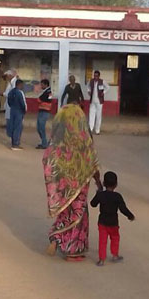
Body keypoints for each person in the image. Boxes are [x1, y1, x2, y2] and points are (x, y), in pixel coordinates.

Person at [43, 99, 100, 261]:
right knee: (78, 213)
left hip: (64, 186)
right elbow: (92, 162)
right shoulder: (83, 141)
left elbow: (48, 162)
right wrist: (98, 181)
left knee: (65, 210)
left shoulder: (57, 145)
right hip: (80, 186)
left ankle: (56, 238)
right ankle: (73, 250)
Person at [90, 171, 135, 267]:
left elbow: (93, 204)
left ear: (104, 183)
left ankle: (101, 260)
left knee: (102, 240)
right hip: (113, 222)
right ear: (116, 185)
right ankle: (115, 255)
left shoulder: (101, 195)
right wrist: (130, 215)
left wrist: (98, 192)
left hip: (102, 222)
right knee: (115, 238)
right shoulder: (117, 196)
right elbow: (123, 209)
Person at [87, 70, 109, 135]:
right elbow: (88, 87)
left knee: (98, 116)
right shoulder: (91, 81)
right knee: (91, 115)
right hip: (92, 101)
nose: (95, 77)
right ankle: (90, 129)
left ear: (99, 76)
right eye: (94, 75)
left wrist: (104, 92)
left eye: (96, 76)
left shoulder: (102, 81)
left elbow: (108, 87)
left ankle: (97, 130)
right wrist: (88, 91)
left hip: (99, 101)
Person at [6, 78, 26, 150]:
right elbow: (22, 103)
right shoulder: (19, 93)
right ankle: (16, 144)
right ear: (20, 85)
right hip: (19, 111)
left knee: (13, 126)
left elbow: (9, 101)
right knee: (18, 127)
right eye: (22, 85)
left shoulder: (11, 91)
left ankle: (13, 142)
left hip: (12, 110)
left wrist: (12, 106)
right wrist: (24, 111)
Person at [36, 79, 52, 149]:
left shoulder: (47, 92)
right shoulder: (46, 92)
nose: (41, 86)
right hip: (42, 111)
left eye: (42, 85)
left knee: (41, 128)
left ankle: (44, 143)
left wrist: (40, 100)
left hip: (44, 111)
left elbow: (39, 100)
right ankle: (44, 142)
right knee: (39, 128)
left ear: (46, 85)